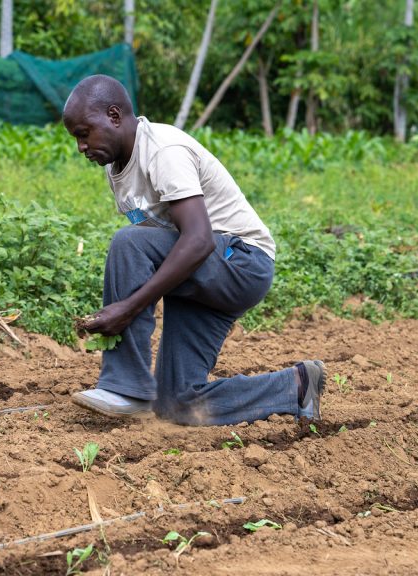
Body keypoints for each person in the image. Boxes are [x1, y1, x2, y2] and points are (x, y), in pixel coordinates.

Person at [62, 74, 325, 426]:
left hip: (241, 261)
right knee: (178, 404)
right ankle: (295, 386)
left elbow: (198, 239)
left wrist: (127, 308)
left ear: (114, 116)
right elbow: (162, 244)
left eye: (84, 133)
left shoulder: (163, 151)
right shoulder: (116, 168)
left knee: (128, 242)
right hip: (200, 274)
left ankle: (124, 385)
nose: (81, 146)